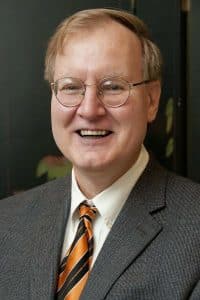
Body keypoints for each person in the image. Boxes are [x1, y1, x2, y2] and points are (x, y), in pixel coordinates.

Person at [0, 8, 200, 300]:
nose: (90, 109)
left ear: (152, 100)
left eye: (113, 87)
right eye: (70, 87)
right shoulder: (6, 224)